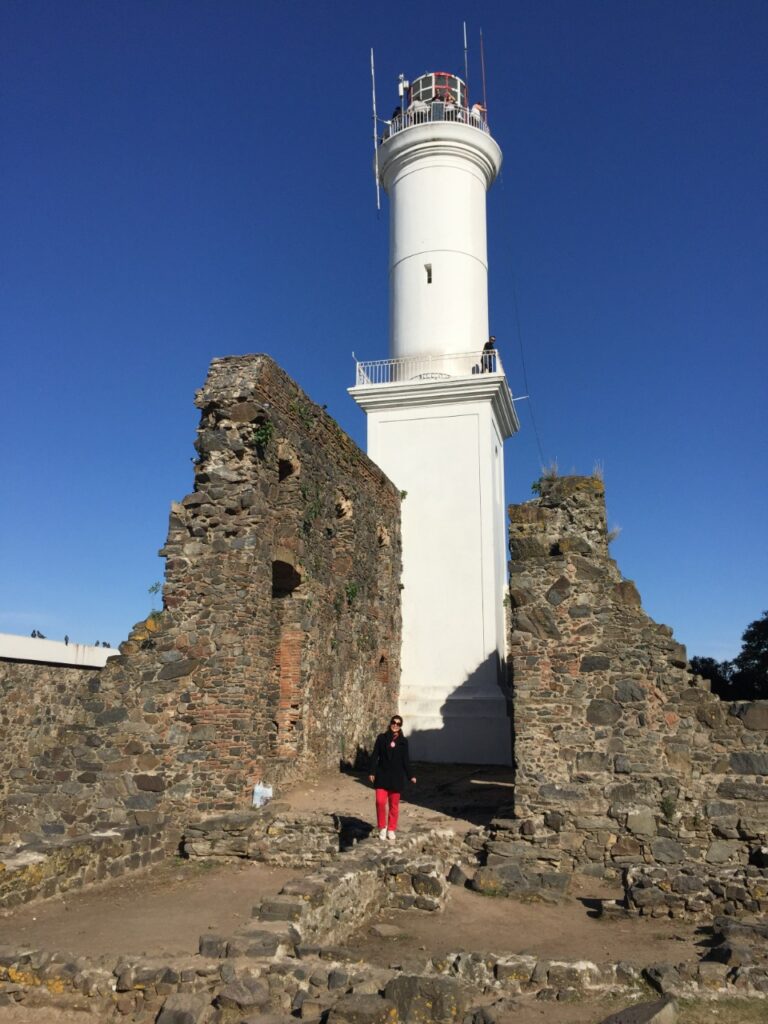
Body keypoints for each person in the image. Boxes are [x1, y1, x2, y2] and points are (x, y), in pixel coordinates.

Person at [368, 715, 416, 841]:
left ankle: (391, 829)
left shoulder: (403, 742)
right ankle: (382, 827)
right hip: (382, 775)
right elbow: (375, 756)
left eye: (398, 724)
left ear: (400, 726)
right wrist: (372, 772)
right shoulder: (381, 738)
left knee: (394, 805)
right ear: (390, 723)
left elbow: (406, 760)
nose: (395, 725)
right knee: (380, 801)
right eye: (394, 722)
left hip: (396, 777)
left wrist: (411, 775)